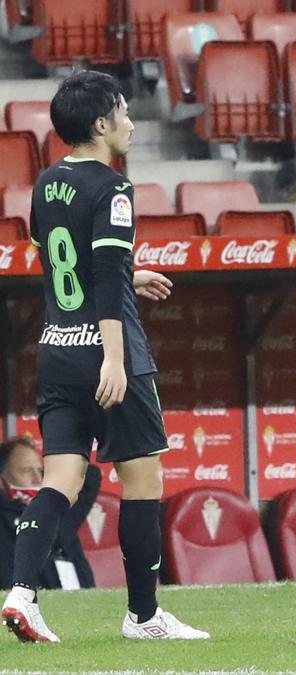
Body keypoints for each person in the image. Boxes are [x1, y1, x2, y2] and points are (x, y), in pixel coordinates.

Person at [1, 71, 208, 643]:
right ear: (100, 124)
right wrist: (114, 358)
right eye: (122, 111)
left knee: (61, 478)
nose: (131, 123)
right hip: (106, 355)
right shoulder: (115, 188)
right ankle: (143, 617)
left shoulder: (44, 184)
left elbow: (59, 260)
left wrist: (125, 273)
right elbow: (109, 273)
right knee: (143, 480)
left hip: (57, 350)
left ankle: (22, 595)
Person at [0, 438, 100, 591]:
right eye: (26, 471)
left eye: (40, 471)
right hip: (30, 606)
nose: (37, 478)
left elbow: (91, 477)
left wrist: (52, 476)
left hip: (83, 604)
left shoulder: (59, 510)